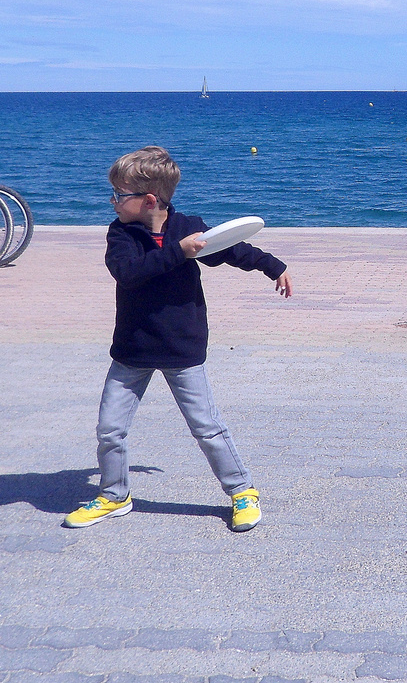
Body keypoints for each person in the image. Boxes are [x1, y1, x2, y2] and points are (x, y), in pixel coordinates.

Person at [64, 146, 292, 533]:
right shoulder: (122, 234)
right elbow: (128, 272)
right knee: (109, 429)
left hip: (182, 346)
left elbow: (233, 248)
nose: (113, 202)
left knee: (207, 426)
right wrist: (178, 253)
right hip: (132, 349)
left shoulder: (188, 228)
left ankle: (242, 491)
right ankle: (115, 495)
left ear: (149, 200)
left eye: (119, 195)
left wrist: (274, 267)